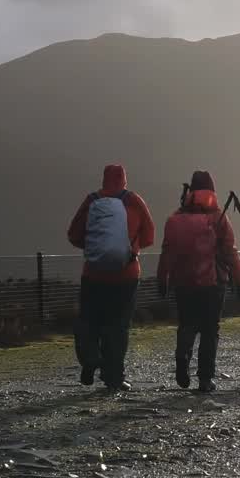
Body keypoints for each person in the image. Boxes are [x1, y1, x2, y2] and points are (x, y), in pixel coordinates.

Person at [66, 164, 155, 391]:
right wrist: (130, 248)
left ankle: (90, 359)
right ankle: (114, 377)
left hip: (93, 274)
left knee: (89, 320)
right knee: (118, 326)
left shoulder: (91, 200)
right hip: (126, 275)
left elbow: (73, 235)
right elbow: (149, 236)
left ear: (104, 179)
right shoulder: (134, 201)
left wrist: (95, 248)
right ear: (124, 180)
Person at [157, 171, 240, 393]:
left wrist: (162, 278)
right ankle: (205, 378)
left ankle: (182, 357)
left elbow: (167, 252)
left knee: (187, 324)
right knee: (209, 330)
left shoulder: (177, 217)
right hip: (213, 284)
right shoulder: (219, 217)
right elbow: (229, 252)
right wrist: (239, 279)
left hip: (183, 282)